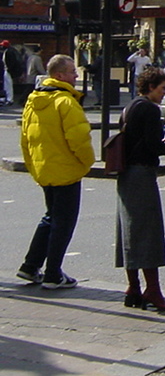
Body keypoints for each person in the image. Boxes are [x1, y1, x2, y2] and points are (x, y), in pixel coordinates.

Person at [17, 54, 94, 290]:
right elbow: (79, 139)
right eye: (72, 72)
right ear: (59, 75)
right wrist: (87, 163)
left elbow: (26, 139)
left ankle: (30, 266)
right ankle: (53, 274)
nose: (76, 76)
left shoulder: (33, 99)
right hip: (67, 171)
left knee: (51, 217)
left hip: (45, 169)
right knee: (64, 222)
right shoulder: (65, 102)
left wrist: (33, 166)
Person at [115, 67, 165, 312]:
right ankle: (153, 290)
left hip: (126, 173)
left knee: (130, 230)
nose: (164, 93)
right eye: (162, 88)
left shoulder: (130, 106)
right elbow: (153, 144)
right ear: (151, 87)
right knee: (148, 231)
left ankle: (133, 287)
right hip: (142, 173)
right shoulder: (150, 109)